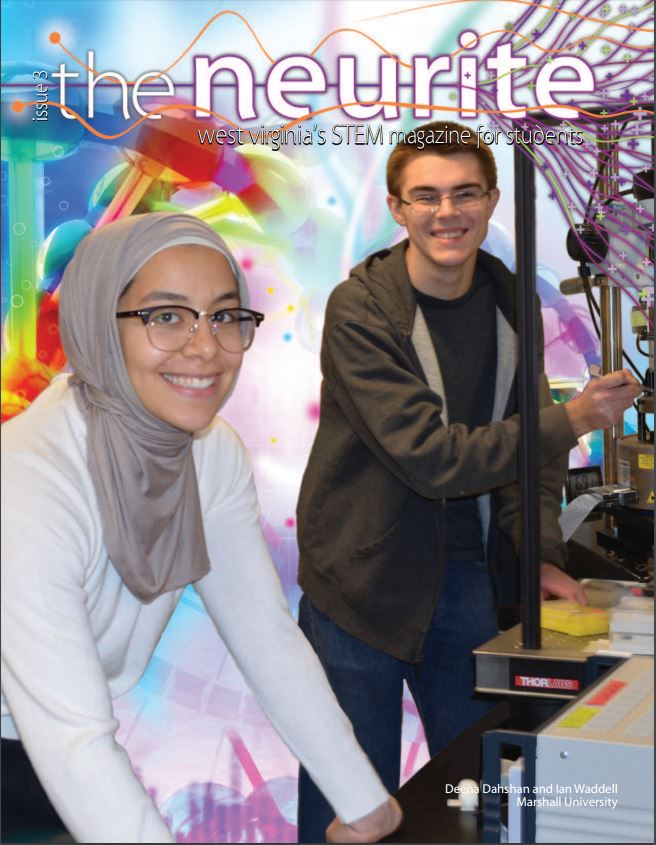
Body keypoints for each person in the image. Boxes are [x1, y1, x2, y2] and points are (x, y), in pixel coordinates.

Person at [0, 213, 402, 844]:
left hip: (53, 748)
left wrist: (362, 800)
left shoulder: (208, 453)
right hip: (46, 740)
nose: (205, 348)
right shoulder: (28, 479)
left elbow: (264, 633)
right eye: (166, 316)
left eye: (224, 316)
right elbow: (72, 736)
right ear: (96, 321)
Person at [295, 121, 642, 841]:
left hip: (465, 581)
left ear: (491, 201)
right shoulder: (361, 311)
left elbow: (531, 454)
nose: (446, 212)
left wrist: (537, 552)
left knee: (478, 800)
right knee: (351, 813)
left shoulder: (512, 303)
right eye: (426, 196)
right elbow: (431, 458)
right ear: (397, 208)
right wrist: (573, 417)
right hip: (360, 584)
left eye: (465, 193)